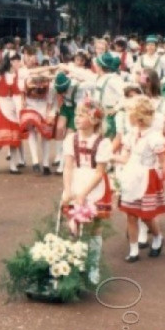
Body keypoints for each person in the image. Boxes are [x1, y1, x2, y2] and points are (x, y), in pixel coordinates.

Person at [112, 96, 165, 262]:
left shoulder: (154, 138)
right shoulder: (131, 135)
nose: (127, 116)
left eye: (130, 113)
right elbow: (124, 158)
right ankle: (133, 250)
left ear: (137, 116)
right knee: (131, 215)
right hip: (131, 177)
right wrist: (108, 156)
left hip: (148, 177)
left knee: (146, 215)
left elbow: (164, 161)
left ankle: (158, 237)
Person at [61, 98, 112, 284]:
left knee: (93, 226)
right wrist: (68, 190)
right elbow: (68, 166)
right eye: (76, 115)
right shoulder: (70, 139)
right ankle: (75, 263)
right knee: (73, 225)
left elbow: (100, 172)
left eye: (81, 115)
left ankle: (93, 266)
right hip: (76, 182)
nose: (76, 118)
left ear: (95, 119)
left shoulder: (102, 142)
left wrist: (84, 193)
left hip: (93, 184)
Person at [19, 75, 57, 175]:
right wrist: (22, 103)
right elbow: (22, 96)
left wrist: (50, 115)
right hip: (30, 108)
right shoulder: (25, 82)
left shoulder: (51, 86)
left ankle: (45, 164)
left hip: (43, 109)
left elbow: (50, 103)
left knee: (46, 135)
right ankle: (35, 161)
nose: (38, 85)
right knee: (31, 131)